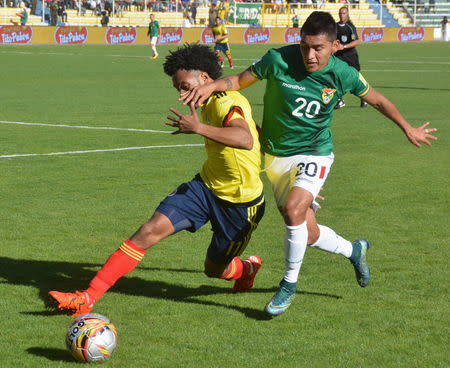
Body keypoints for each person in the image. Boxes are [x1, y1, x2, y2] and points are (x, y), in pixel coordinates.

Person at [180, 11, 438, 317]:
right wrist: (211, 87)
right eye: (305, 47)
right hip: (276, 159)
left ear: (333, 46)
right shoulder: (278, 59)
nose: (310, 55)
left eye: (318, 48)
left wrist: (408, 128)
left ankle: (288, 285)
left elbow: (378, 100)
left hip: (315, 151)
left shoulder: (344, 74)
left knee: (293, 211)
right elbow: (237, 80)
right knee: (308, 232)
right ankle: (354, 250)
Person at [48, 44, 266, 317]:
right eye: (178, 89)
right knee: (149, 230)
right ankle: (87, 298)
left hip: (240, 204)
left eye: (185, 86)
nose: (182, 94)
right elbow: (257, 135)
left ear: (205, 79)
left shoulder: (225, 102)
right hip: (205, 187)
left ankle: (247, 269)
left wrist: (197, 128)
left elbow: (245, 139)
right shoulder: (210, 100)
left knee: (214, 270)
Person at [334, 6, 366, 108]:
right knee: (337, 76)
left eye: (343, 13)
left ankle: (364, 98)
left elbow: (357, 41)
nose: (341, 15)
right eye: (340, 13)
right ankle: (340, 100)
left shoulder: (350, 26)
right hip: (338, 56)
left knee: (356, 78)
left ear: (347, 14)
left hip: (350, 56)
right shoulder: (335, 26)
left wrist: (344, 46)